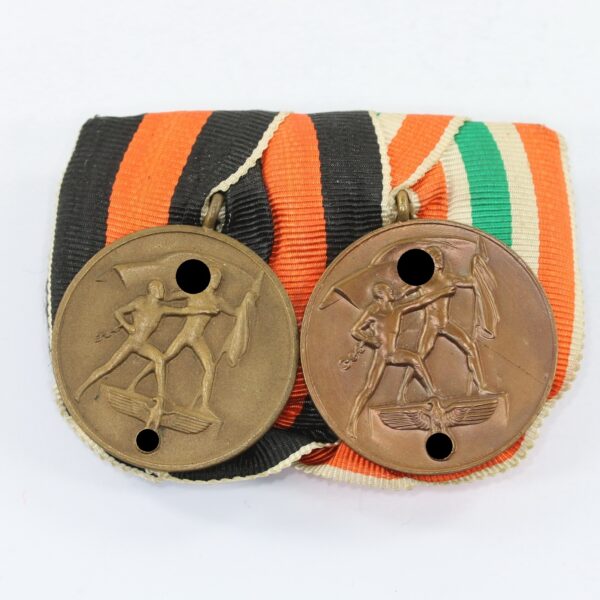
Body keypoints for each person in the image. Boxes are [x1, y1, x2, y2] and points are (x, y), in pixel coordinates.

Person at [347, 281, 455, 438]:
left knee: (415, 359)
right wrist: (370, 339)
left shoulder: (397, 309)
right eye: (388, 290)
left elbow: (420, 301)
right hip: (382, 354)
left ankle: (432, 393)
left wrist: (442, 292)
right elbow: (355, 329)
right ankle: (351, 424)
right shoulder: (373, 310)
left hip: (393, 353)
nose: (392, 292)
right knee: (369, 388)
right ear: (381, 294)